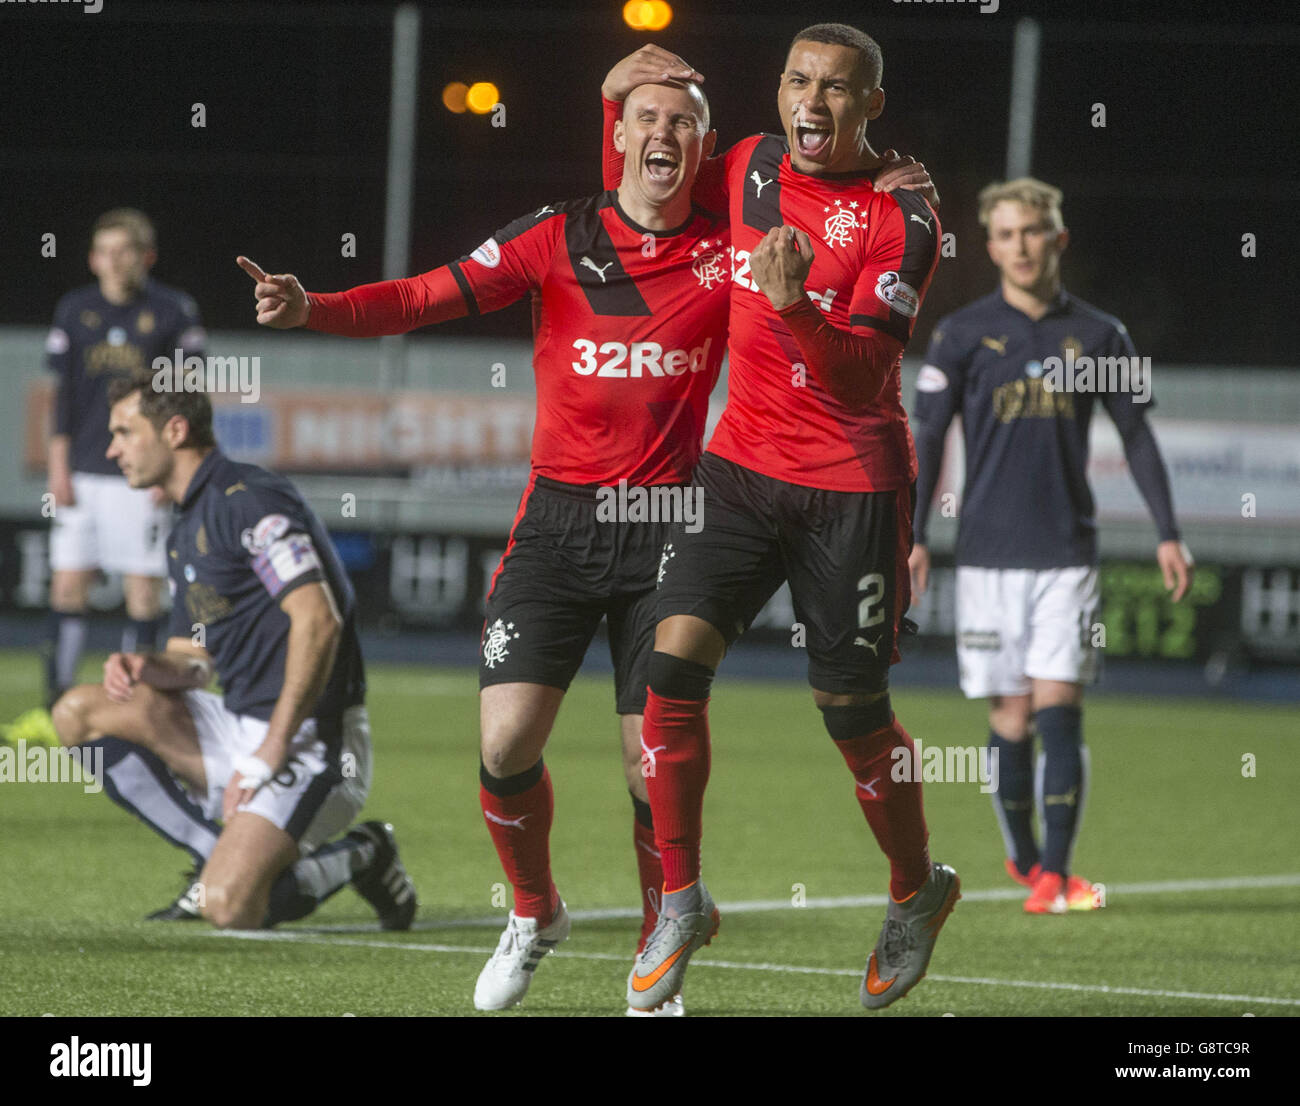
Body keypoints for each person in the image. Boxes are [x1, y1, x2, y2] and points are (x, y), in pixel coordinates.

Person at [238, 73, 944, 1014]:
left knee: (653, 753)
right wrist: (314, 307)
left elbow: (834, 197)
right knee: (504, 742)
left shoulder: (727, 234)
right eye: (645, 120)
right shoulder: (554, 234)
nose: (665, 136)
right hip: (559, 524)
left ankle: (667, 944)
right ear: (614, 136)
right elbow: (424, 295)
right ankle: (534, 912)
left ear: (706, 148)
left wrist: (888, 177)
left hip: (669, 524)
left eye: (685, 124)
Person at [600, 25, 957, 1014]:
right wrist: (611, 101)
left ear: (869, 106)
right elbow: (640, 190)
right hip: (739, 470)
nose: (811, 100)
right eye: (797, 79)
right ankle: (678, 897)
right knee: (666, 672)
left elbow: (858, 374)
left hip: (852, 481)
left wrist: (794, 305)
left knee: (851, 712)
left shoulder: (908, 219)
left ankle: (914, 889)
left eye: (836, 88)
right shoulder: (748, 162)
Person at [909, 177, 1191, 914]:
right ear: (991, 245)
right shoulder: (962, 334)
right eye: (1005, 235)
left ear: (1057, 238)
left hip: (1067, 554)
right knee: (1008, 714)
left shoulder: (1102, 336)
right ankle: (1028, 860)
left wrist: (1169, 533)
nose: (1020, 246)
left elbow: (1137, 435)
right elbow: (929, 438)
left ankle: (1056, 877)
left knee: (1059, 706)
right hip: (986, 559)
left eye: (1032, 231)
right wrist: (913, 537)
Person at [51, 374, 417, 932]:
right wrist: (148, 667)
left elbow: (318, 620)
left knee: (231, 908)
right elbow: (193, 661)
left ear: (174, 431)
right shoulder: (185, 527)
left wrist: (272, 748)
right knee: (77, 712)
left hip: (310, 742)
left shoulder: (249, 501)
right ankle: (214, 858)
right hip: (237, 727)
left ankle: (364, 853)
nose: (111, 449)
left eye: (124, 432)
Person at [43, 209, 204, 710]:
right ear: (92, 259)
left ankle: (138, 703)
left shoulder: (174, 312)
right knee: (67, 587)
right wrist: (57, 466)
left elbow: (187, 395)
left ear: (146, 258)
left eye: (125, 251)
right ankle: (57, 701)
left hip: (141, 476)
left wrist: (169, 471)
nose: (114, 261)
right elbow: (62, 395)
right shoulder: (74, 310)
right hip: (84, 471)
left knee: (143, 593)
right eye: (104, 251)